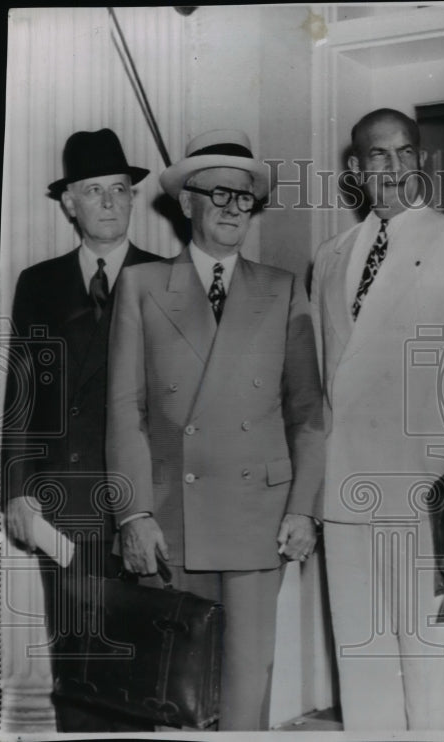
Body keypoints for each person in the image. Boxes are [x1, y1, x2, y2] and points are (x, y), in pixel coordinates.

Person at [105, 130, 324, 730]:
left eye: (246, 196)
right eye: (219, 193)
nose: (234, 207)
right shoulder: (142, 287)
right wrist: (132, 514)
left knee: (244, 696)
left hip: (260, 519)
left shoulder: (281, 289)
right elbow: (126, 410)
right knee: (176, 693)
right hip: (171, 521)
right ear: (186, 202)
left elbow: (309, 412)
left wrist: (305, 509)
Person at [309, 108, 444, 730]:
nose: (394, 167)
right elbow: (323, 378)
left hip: (430, 491)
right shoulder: (330, 256)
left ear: (422, 161)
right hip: (346, 492)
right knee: (363, 658)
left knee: (431, 667)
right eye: (379, 155)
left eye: (406, 153)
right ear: (356, 169)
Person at [3, 128, 159, 732]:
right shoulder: (38, 284)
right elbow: (20, 395)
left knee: (143, 666)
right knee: (78, 663)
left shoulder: (167, 276)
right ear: (69, 202)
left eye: (120, 190)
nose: (109, 202)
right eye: (94, 191)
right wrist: (16, 489)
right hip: (61, 505)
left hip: (143, 501)